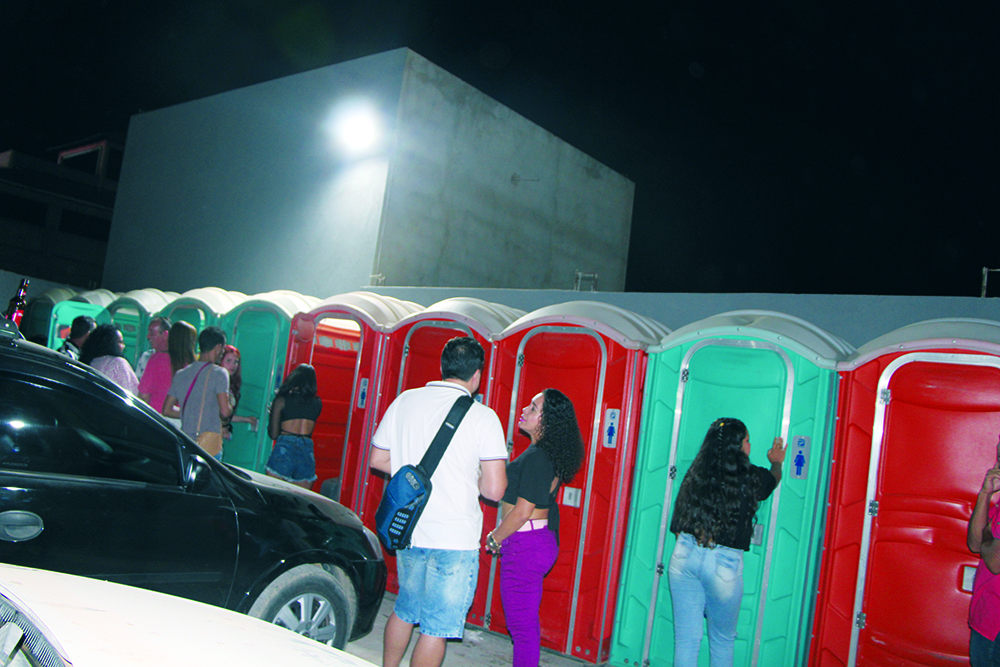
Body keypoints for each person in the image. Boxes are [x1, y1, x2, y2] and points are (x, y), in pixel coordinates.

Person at [369, 336, 508, 667]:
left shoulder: (404, 400)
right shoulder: (484, 417)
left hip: (409, 529)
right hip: (454, 539)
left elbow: (378, 459)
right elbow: (494, 491)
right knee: (435, 629)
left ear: (443, 367)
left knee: (404, 610)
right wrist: (465, 476)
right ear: (477, 375)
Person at [667, 418, 785, 667]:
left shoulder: (696, 473)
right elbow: (772, 480)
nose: (750, 446)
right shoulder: (749, 476)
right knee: (722, 640)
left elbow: (678, 525)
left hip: (684, 555)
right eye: (747, 441)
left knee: (686, 640)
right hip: (723, 565)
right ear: (737, 446)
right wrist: (776, 461)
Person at [486, 388, 584, 667]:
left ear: (547, 421)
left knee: (522, 628)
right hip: (532, 543)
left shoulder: (538, 457)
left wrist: (495, 538)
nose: (524, 411)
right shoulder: (543, 454)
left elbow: (522, 511)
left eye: (533, 408)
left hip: (525, 545)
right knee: (524, 624)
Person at [162, 327, 231, 460]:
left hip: (186, 443)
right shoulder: (219, 373)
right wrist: (230, 406)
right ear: (218, 347)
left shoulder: (181, 374)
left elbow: (166, 410)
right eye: (222, 350)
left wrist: (190, 412)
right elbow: (225, 412)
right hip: (209, 446)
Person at [967, 435, 1000, 666]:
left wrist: (988, 534)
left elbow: (995, 561)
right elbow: (975, 544)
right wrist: (985, 494)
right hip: (988, 619)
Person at [264, 364, 321, 488]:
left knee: (273, 493)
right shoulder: (317, 403)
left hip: (285, 447)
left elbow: (273, 434)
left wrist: (272, 413)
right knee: (300, 497)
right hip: (306, 449)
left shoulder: (282, 400)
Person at [79, 323, 139, 394]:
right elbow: (129, 392)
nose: (124, 346)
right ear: (111, 343)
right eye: (120, 342)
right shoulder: (118, 363)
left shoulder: (91, 362)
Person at [219, 345, 259, 438]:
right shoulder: (216, 381)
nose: (233, 365)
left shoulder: (230, 384)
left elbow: (227, 414)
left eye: (236, 362)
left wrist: (245, 419)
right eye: (228, 361)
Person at [137, 317, 172, 413]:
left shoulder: (155, 359)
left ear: (165, 334)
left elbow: (143, 397)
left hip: (154, 416)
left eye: (152, 333)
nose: (148, 336)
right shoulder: (185, 360)